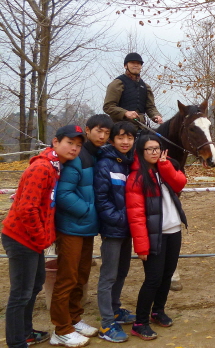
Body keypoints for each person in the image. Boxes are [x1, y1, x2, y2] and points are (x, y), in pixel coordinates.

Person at [2, 126, 84, 348]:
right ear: (55, 142)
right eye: (70, 143)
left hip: (31, 238)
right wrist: (41, 238)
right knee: (20, 293)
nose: (74, 149)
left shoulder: (54, 166)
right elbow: (27, 209)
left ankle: (26, 332)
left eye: (78, 146)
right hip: (21, 237)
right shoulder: (42, 168)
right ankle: (16, 342)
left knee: (35, 285)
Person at [51, 115, 114, 346]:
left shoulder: (95, 154)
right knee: (67, 278)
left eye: (107, 133)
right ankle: (61, 329)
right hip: (71, 227)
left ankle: (74, 319)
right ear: (88, 130)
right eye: (98, 131)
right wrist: (90, 211)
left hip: (86, 227)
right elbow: (65, 195)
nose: (102, 136)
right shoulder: (77, 158)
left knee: (81, 275)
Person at [126, 135, 187, 340]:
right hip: (154, 235)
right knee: (153, 279)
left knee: (167, 275)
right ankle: (140, 322)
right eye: (149, 149)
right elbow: (136, 216)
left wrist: (166, 167)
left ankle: (157, 311)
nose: (154, 152)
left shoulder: (165, 169)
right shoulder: (137, 178)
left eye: (157, 148)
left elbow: (180, 183)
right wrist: (141, 246)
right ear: (140, 152)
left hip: (174, 231)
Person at [94, 121, 137, 342]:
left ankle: (115, 309)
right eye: (121, 137)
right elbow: (102, 200)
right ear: (113, 140)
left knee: (122, 271)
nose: (125, 141)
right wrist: (121, 220)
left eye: (129, 138)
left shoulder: (130, 162)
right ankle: (106, 323)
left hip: (128, 228)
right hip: (114, 229)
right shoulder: (105, 164)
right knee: (108, 275)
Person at [103, 52, 163, 125]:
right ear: (125, 66)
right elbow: (108, 106)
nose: (135, 65)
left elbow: (150, 107)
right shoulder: (117, 84)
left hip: (141, 127)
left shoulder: (145, 87)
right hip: (120, 127)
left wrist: (156, 115)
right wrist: (125, 113)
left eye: (138, 63)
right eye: (132, 63)